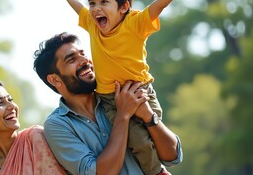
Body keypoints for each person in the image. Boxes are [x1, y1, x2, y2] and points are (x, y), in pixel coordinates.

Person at [45, 0, 207, 175]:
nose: (95, 8)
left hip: (141, 92)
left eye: (104, 2)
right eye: (92, 3)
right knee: (137, 140)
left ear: (123, 7)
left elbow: (161, 2)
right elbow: (74, 0)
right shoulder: (93, 25)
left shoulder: (135, 23)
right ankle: (157, 172)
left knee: (152, 133)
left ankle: (158, 167)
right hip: (110, 99)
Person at [33, 32, 183, 175]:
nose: (85, 61)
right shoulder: (57, 125)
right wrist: (123, 116)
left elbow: (172, 157)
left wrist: (149, 117)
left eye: (83, 54)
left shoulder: (121, 94)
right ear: (54, 80)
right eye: (71, 60)